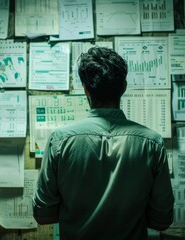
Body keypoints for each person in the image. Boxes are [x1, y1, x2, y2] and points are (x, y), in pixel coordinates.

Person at [32, 46, 174, 240]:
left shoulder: (60, 140)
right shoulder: (152, 143)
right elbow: (161, 220)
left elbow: (43, 215)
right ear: (123, 87)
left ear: (85, 89)